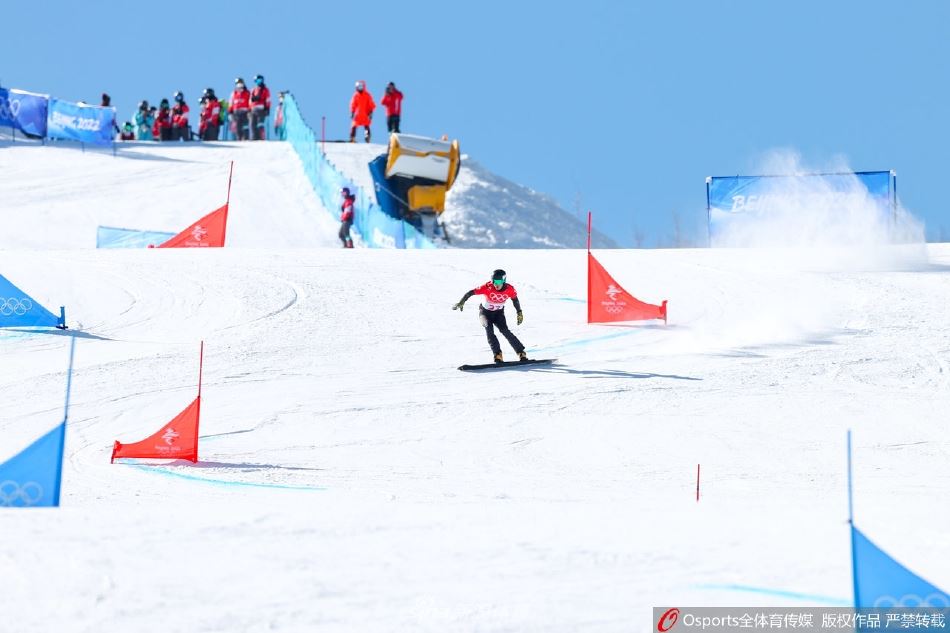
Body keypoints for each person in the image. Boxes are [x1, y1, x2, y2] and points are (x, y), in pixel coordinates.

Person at [453, 269, 527, 363]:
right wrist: (461, 302)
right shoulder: (487, 287)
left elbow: (515, 300)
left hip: (498, 314)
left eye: (499, 281)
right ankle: (497, 355)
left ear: (504, 280)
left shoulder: (509, 289)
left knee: (505, 331)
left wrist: (519, 312)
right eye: (494, 281)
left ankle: (521, 353)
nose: (496, 284)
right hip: (485, 313)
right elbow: (470, 292)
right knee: (489, 331)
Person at [249, 74, 271, 140]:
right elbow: (250, 100)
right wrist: (249, 109)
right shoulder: (253, 90)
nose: (259, 82)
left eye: (260, 80)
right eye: (257, 80)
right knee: (252, 124)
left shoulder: (265, 90)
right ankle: (254, 137)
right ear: (255, 81)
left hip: (261, 108)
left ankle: (261, 137)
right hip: (253, 109)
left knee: (260, 124)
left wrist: (267, 108)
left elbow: (268, 99)